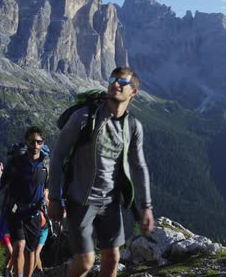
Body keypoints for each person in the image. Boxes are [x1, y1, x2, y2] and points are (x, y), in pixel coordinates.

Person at [48, 67, 155, 277]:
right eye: (112, 79)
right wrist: (54, 197)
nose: (115, 84)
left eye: (122, 82)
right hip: (80, 200)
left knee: (112, 258)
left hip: (110, 203)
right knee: (86, 262)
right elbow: (58, 154)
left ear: (133, 92)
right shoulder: (84, 117)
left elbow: (139, 166)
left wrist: (147, 206)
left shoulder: (133, 126)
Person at [0, 126, 49, 277]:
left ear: (43, 143)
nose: (35, 145)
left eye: (39, 142)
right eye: (32, 142)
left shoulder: (46, 165)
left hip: (35, 213)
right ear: (27, 142)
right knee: (19, 246)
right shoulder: (16, 163)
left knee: (30, 251)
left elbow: (50, 187)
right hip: (16, 211)